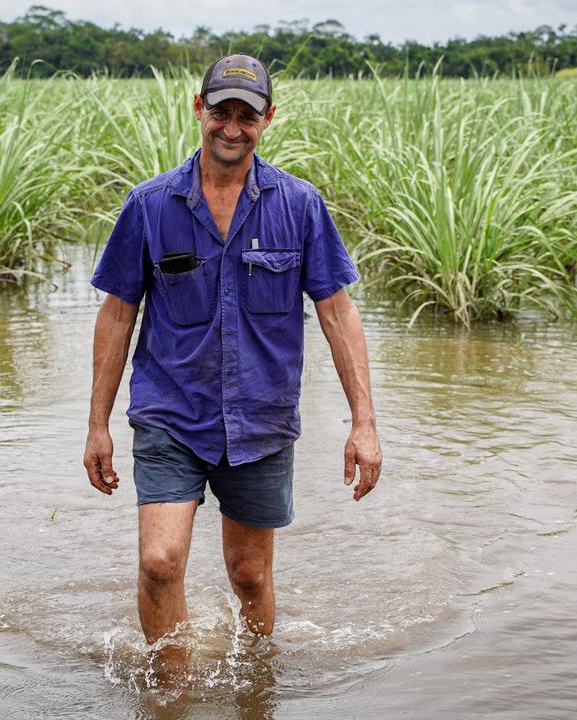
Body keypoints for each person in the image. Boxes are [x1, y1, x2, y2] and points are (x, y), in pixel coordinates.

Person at [83, 54, 382, 657]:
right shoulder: (150, 206)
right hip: (170, 412)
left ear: (268, 119)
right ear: (200, 110)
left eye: (248, 115)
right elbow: (118, 315)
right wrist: (97, 425)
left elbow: (336, 312)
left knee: (249, 575)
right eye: (222, 111)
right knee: (160, 562)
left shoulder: (299, 205)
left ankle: (255, 687)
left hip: (261, 419)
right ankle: (172, 691)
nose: (232, 126)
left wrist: (365, 423)